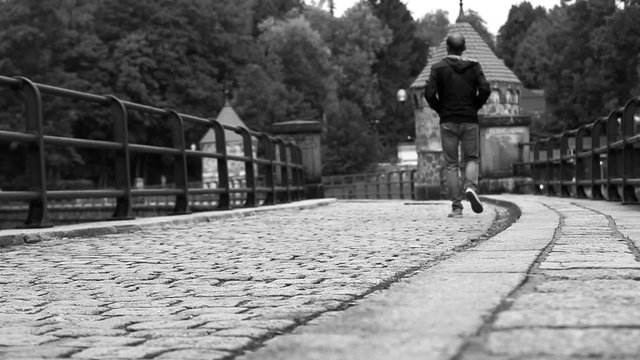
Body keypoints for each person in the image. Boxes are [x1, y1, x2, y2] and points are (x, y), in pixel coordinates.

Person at [424, 33, 490, 218]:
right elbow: (485, 89)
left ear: (447, 48)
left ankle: (456, 207)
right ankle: (470, 186)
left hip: (448, 121)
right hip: (469, 120)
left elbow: (429, 93)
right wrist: (474, 106)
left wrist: (441, 109)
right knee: (471, 158)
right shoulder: (474, 66)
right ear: (463, 48)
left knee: (451, 164)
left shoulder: (438, 68)